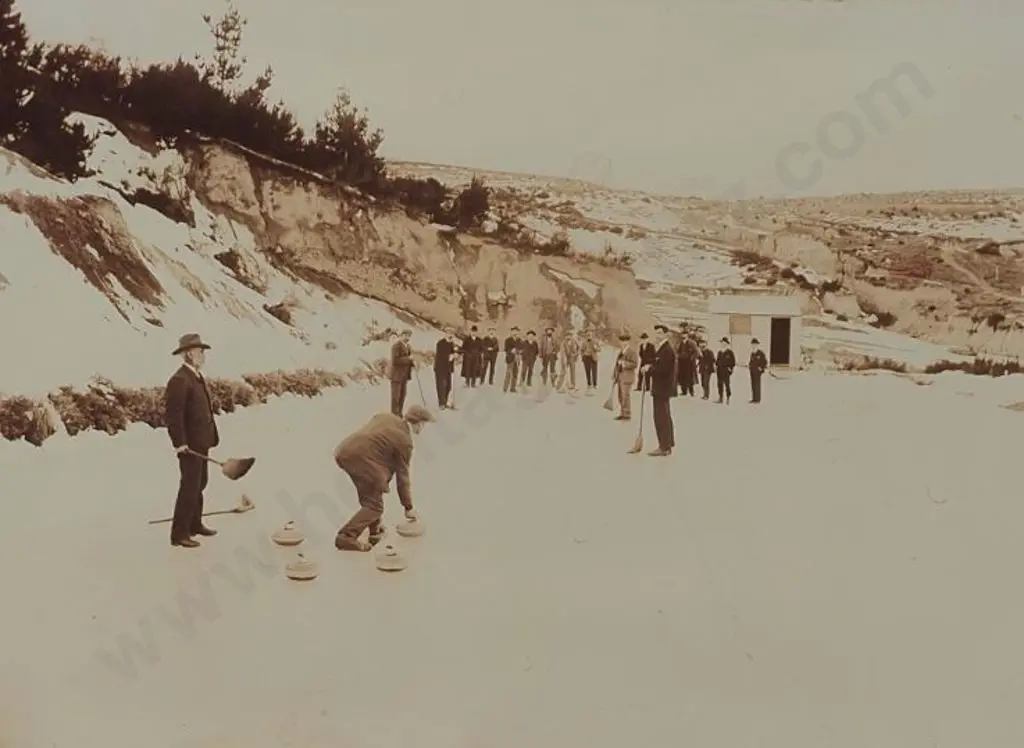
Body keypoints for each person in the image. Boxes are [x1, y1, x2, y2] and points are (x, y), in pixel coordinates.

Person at [333, 405, 435, 552]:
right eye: (423, 424)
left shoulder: (385, 417)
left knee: (372, 491)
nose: (423, 428)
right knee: (375, 506)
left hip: (344, 450)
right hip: (363, 459)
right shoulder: (405, 441)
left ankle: (375, 531)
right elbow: (403, 477)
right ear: (418, 423)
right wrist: (408, 507)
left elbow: (377, 443)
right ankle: (346, 537)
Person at [164, 333, 220, 548]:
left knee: (201, 483)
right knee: (189, 486)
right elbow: (173, 416)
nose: (203, 355)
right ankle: (179, 534)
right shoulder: (179, 380)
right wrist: (179, 443)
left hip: (202, 441)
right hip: (189, 445)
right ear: (189, 353)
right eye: (200, 351)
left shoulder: (195, 376)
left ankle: (195, 524)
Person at [642, 324, 677, 456]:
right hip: (662, 388)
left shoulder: (667, 350)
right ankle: (668, 444)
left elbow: (663, 370)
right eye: (656, 333)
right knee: (664, 415)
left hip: (662, 388)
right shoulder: (662, 349)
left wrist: (649, 369)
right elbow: (658, 364)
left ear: (666, 334)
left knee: (661, 417)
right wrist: (649, 365)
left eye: (660, 333)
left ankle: (664, 447)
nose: (657, 336)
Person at [611, 331, 638, 420]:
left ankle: (627, 414)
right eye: (621, 341)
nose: (623, 343)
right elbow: (616, 364)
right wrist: (614, 374)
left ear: (628, 342)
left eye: (625, 341)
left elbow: (635, 364)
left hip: (627, 377)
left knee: (625, 395)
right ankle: (622, 412)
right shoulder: (621, 352)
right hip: (620, 376)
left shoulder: (632, 352)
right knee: (620, 396)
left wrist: (624, 364)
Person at [389, 329, 414, 416]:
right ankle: (394, 415)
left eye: (409, 336)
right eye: (406, 335)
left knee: (403, 395)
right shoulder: (396, 346)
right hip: (397, 375)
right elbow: (395, 361)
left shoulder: (408, 346)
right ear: (401, 335)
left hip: (405, 375)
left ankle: (399, 413)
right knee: (396, 396)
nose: (407, 337)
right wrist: (408, 359)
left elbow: (409, 360)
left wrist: (412, 362)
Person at [433, 330, 460, 409]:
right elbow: (441, 355)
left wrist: (456, 353)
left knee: (448, 386)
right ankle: (441, 403)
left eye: (452, 334)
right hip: (440, 368)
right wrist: (451, 356)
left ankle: (445, 402)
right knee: (441, 385)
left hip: (448, 368)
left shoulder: (452, 344)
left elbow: (458, 350)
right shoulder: (440, 343)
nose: (450, 335)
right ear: (446, 334)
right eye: (449, 333)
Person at [715, 337, 736, 404]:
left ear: (727, 344)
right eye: (722, 343)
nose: (723, 344)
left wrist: (730, 369)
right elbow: (717, 361)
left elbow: (733, 362)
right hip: (719, 370)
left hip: (726, 371)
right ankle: (720, 398)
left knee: (727, 384)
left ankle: (728, 398)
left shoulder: (730, 352)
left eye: (724, 343)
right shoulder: (720, 352)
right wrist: (716, 367)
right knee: (719, 384)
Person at [502, 326, 522, 392]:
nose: (515, 332)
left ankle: (513, 388)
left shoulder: (519, 340)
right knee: (508, 373)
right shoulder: (508, 340)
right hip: (510, 358)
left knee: (515, 374)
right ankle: (505, 388)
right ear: (511, 332)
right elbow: (505, 349)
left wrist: (518, 351)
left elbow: (521, 349)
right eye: (514, 331)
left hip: (517, 359)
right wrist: (511, 350)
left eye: (516, 331)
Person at [749, 337, 768, 403]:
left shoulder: (760, 353)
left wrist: (761, 368)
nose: (753, 346)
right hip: (752, 371)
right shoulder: (752, 353)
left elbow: (765, 362)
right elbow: (751, 362)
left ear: (757, 345)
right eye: (752, 344)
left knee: (757, 385)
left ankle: (758, 399)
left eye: (755, 344)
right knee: (753, 385)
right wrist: (749, 366)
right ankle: (754, 398)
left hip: (757, 372)